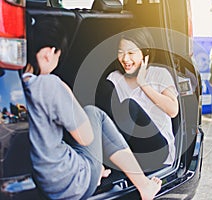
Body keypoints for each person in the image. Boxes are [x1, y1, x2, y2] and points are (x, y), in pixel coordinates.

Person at [23, 17, 161, 200]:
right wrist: (66, 91)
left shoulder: (13, 86)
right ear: (49, 53)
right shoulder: (49, 84)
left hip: (39, 181)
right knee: (94, 113)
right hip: (69, 184)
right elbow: (86, 137)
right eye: (59, 56)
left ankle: (97, 170)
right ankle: (143, 185)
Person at [100, 27, 179, 171]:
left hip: (157, 149)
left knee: (130, 105)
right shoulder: (114, 78)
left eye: (131, 53)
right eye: (121, 53)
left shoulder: (159, 74)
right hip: (127, 149)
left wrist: (143, 84)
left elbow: (173, 110)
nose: (125, 59)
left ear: (145, 53)